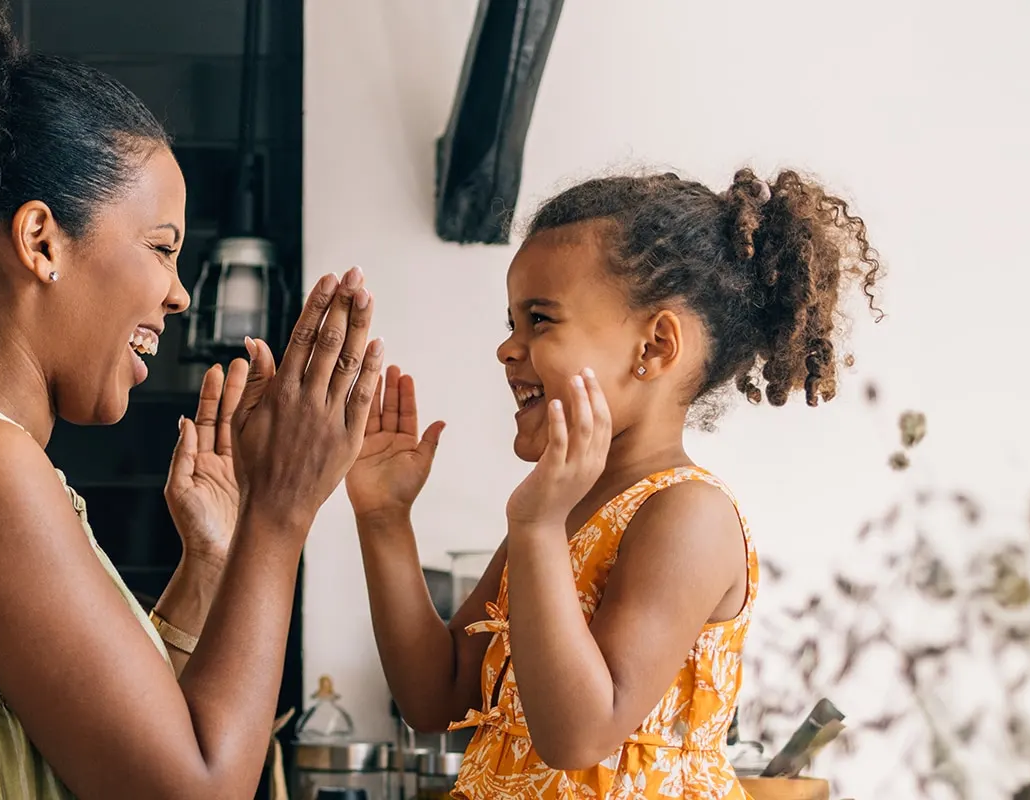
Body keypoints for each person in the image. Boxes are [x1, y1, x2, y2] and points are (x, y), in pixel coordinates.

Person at [0, 1, 387, 797]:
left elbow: (122, 752)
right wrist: (280, 515)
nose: (179, 295)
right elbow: (196, 789)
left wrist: (215, 560)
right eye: (160, 248)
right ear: (42, 241)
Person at [346, 169, 884, 799]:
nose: (507, 349)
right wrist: (384, 518)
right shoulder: (561, 512)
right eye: (512, 322)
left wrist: (538, 525)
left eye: (539, 320)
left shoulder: (688, 515)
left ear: (654, 347)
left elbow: (579, 735)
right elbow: (435, 697)